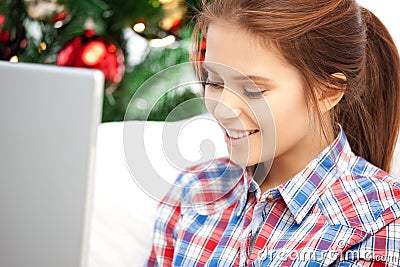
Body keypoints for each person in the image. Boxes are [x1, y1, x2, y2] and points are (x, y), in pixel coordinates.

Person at [145, 0, 400, 266]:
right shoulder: (194, 189)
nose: (223, 110)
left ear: (328, 91)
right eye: (215, 82)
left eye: (253, 90)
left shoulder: (381, 220)